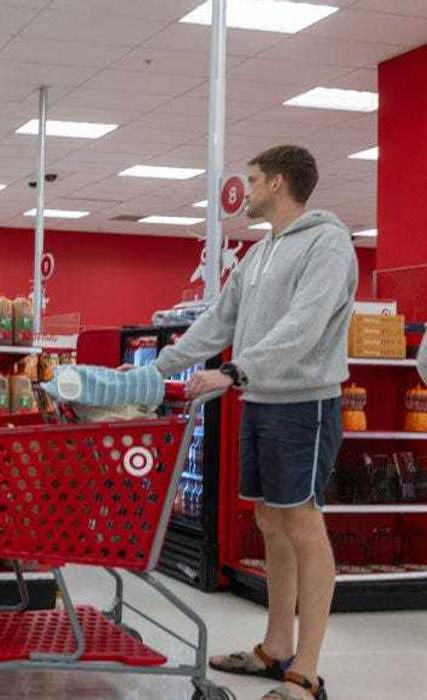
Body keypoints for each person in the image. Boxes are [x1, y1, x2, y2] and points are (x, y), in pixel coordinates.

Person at [152, 145, 356, 700]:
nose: (246, 188)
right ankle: (275, 646)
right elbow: (219, 320)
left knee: (303, 525)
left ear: (281, 183)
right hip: (262, 399)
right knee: (271, 520)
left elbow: (306, 327)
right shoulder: (261, 253)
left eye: (254, 178)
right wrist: (153, 366)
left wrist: (236, 371)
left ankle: (305, 673)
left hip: (303, 403)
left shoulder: (328, 244)